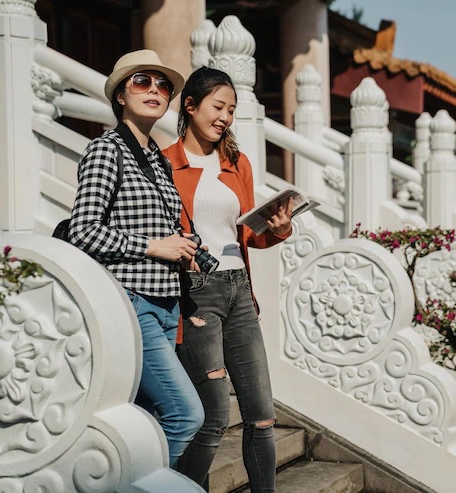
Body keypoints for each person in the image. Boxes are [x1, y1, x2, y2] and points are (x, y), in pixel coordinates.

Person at [68, 50, 204, 467]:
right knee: (186, 414)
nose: (155, 91)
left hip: (166, 306)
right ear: (121, 97)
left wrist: (189, 249)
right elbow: (82, 230)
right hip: (132, 303)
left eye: (162, 85)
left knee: (146, 415)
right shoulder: (106, 151)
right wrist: (151, 246)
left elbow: (163, 228)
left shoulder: (158, 161)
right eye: (142, 82)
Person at [163, 67, 292, 492]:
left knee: (262, 414)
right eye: (218, 107)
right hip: (198, 296)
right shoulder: (165, 163)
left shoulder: (238, 164)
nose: (225, 117)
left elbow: (248, 234)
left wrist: (279, 226)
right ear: (190, 106)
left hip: (240, 291)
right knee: (213, 418)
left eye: (231, 110)